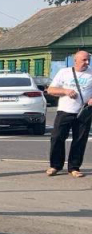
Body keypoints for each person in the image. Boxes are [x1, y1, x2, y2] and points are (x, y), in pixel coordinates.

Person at [45, 49, 92, 178]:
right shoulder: (64, 72)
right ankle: (55, 165)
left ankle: (74, 167)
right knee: (57, 137)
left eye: (88, 60)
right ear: (75, 60)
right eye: (84, 60)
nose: (87, 62)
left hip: (84, 112)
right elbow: (50, 90)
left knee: (79, 140)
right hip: (65, 111)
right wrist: (65, 91)